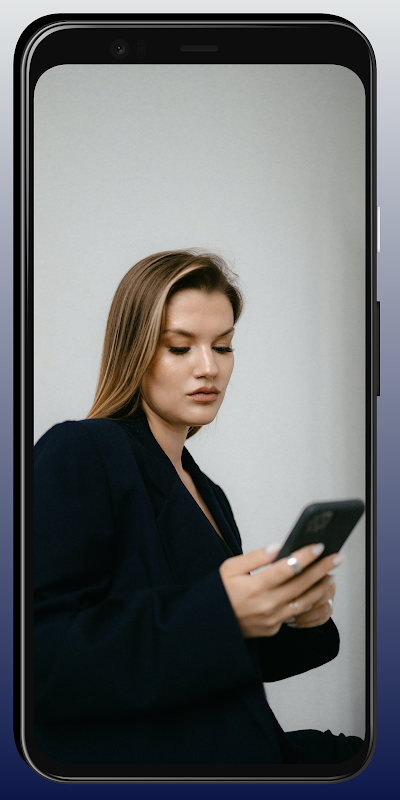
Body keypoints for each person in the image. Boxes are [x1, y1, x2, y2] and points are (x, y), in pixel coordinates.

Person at [34, 250, 363, 766]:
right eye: (180, 347)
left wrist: (295, 617)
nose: (209, 368)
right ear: (135, 350)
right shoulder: (81, 450)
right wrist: (221, 612)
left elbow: (210, 660)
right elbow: (38, 658)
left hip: (246, 752)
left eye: (224, 346)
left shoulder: (207, 491)